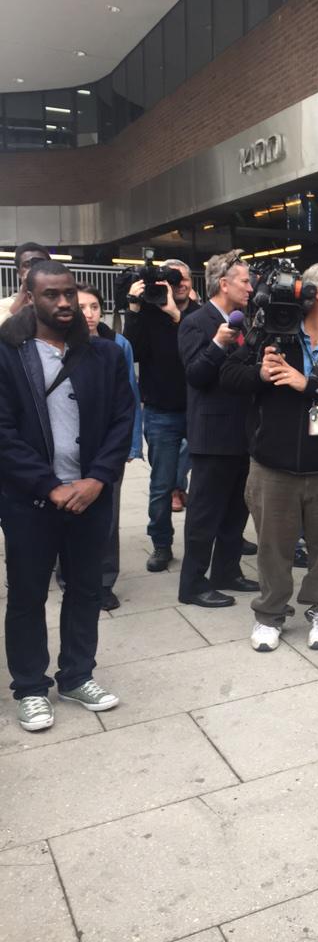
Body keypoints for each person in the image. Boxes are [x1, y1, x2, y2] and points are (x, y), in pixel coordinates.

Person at [0, 261, 135, 732]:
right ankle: (30, 688)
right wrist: (49, 485)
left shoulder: (105, 354)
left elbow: (123, 419)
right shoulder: (7, 354)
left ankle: (77, 675)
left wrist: (97, 479)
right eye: (51, 294)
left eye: (69, 294)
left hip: (90, 497)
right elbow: (3, 432)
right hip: (30, 501)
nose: (63, 303)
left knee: (86, 589)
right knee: (27, 595)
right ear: (29, 297)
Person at [221, 261, 318, 652]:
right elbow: (228, 376)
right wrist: (261, 373)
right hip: (271, 467)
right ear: (317, 293)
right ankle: (269, 614)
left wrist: (309, 385)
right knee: (273, 548)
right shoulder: (270, 333)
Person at [177, 251, 259, 608]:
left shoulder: (247, 321)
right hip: (212, 437)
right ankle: (193, 584)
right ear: (224, 284)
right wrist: (217, 344)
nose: (250, 288)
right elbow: (195, 374)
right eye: (244, 282)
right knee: (204, 515)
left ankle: (227, 572)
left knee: (236, 512)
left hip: (245, 434)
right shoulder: (196, 322)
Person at [123, 260, 200, 572]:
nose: (178, 284)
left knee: (209, 480)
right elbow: (131, 351)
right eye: (171, 279)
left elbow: (203, 348)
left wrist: (175, 315)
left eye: (183, 278)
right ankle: (161, 543)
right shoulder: (149, 313)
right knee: (161, 485)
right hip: (160, 412)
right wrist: (134, 307)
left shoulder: (200, 314)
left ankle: (209, 540)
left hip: (198, 410)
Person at [77, 285, 143, 609]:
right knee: (69, 514)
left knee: (107, 517)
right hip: (69, 447)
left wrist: (131, 445)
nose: (89, 314)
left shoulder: (118, 345)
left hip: (108, 447)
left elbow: (129, 398)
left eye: (94, 307)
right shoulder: (56, 344)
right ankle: (69, 574)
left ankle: (104, 581)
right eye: (82, 307)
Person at [0, 243, 51, 326]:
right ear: (18, 273)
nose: (34, 269)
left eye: (41, 264)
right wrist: (23, 293)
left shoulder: (60, 301)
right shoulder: (3, 305)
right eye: (27, 265)